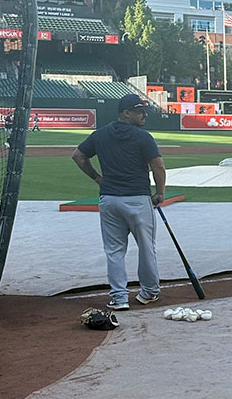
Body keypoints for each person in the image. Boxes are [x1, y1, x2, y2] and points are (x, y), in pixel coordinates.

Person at [71, 94, 166, 310]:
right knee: (146, 248)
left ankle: (119, 298)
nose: (143, 115)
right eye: (139, 111)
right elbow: (158, 167)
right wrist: (160, 192)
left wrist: (97, 178)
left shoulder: (100, 134)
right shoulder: (143, 137)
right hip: (137, 199)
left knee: (114, 250)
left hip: (109, 199)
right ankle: (150, 291)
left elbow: (78, 156)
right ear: (126, 113)